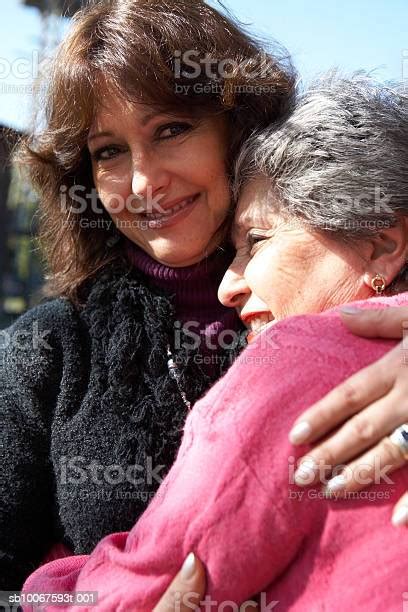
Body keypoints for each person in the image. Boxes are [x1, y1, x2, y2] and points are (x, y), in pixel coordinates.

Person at [1, 0, 406, 595]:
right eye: (108, 151)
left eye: (170, 130)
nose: (143, 181)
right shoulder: (46, 352)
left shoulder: (345, 284)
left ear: (237, 126)